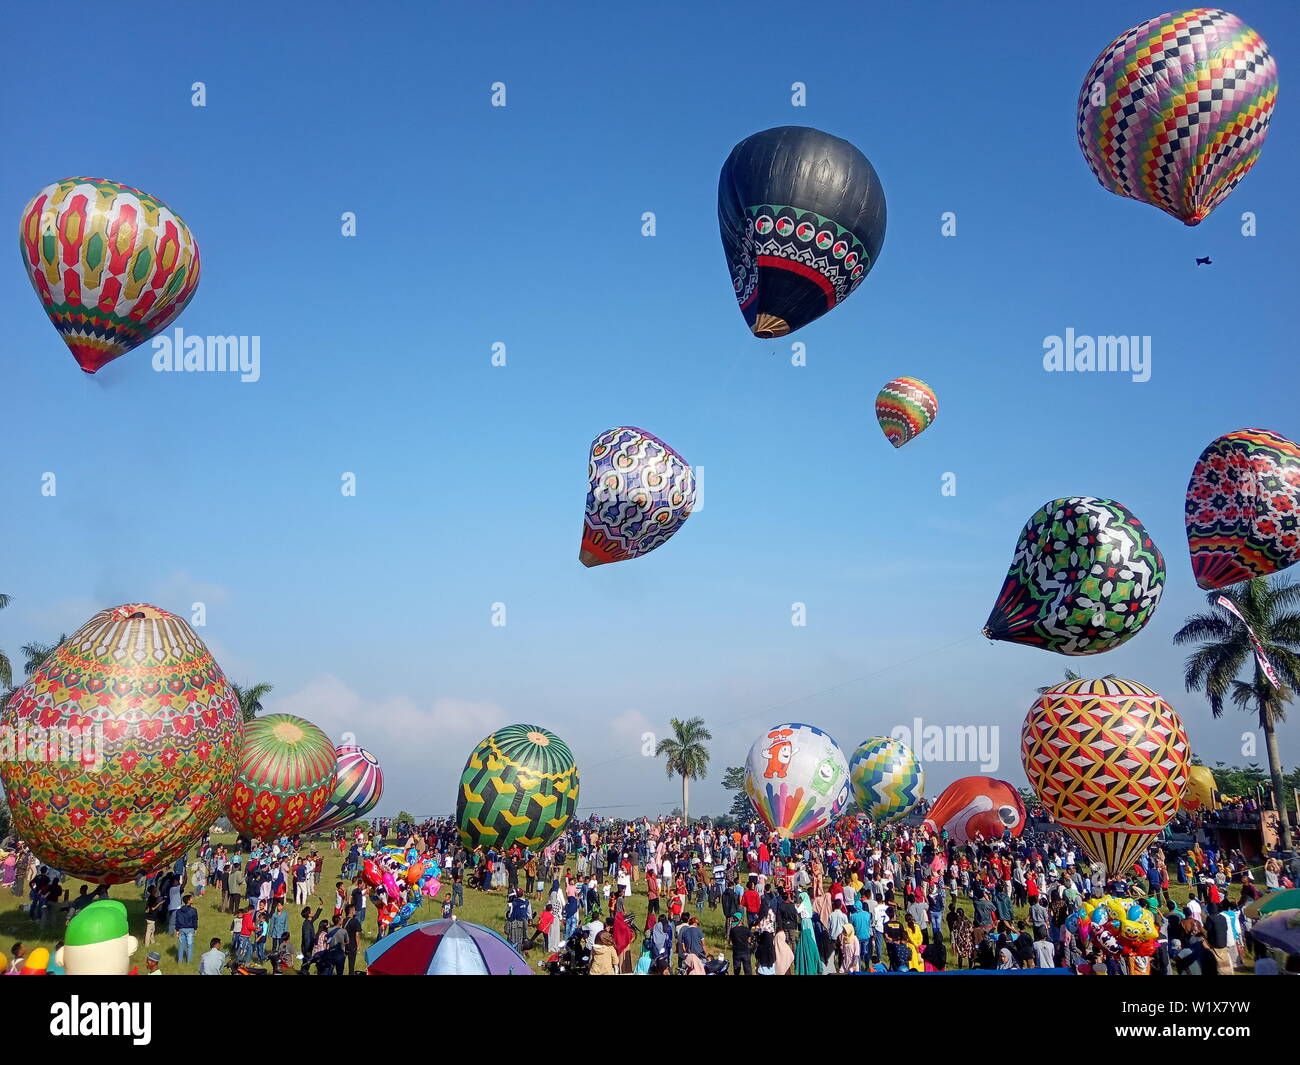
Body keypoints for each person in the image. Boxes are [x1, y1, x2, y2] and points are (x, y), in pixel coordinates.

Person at [175, 894, 199, 964]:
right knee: (190, 946)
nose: (192, 900)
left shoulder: (179, 911)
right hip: (190, 929)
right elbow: (195, 920)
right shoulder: (193, 910)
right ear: (188, 901)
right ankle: (189, 962)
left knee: (181, 946)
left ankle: (179, 961)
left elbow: (177, 920)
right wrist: (195, 928)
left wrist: (177, 930)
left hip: (181, 929)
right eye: (191, 899)